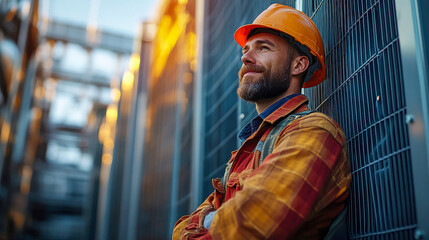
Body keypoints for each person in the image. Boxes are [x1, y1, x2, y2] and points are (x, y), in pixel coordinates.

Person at [173, 4, 351, 240]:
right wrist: (215, 220)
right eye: (245, 50)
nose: (246, 57)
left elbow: (249, 227)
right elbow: (180, 229)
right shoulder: (249, 147)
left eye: (263, 48)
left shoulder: (314, 132)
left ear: (298, 65)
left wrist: (210, 220)